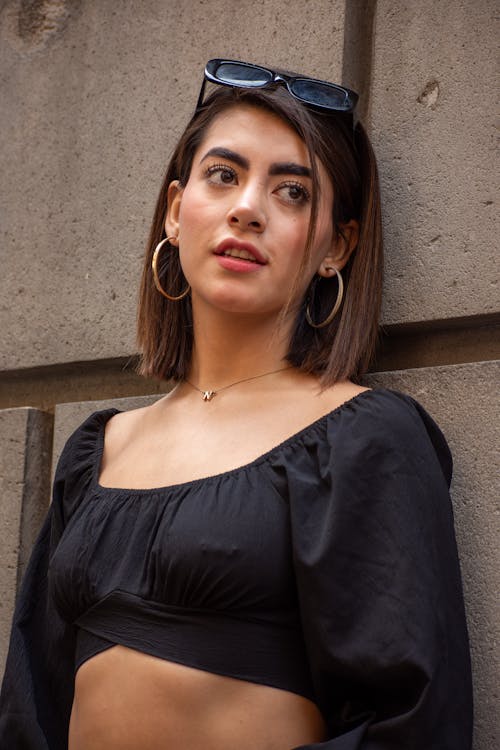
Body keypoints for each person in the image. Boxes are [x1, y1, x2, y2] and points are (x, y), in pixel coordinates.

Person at [0, 59, 473, 749]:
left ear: (336, 247)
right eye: (223, 174)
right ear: (174, 208)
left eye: (292, 192)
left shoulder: (363, 439)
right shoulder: (98, 449)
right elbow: (29, 705)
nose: (247, 207)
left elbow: (414, 720)